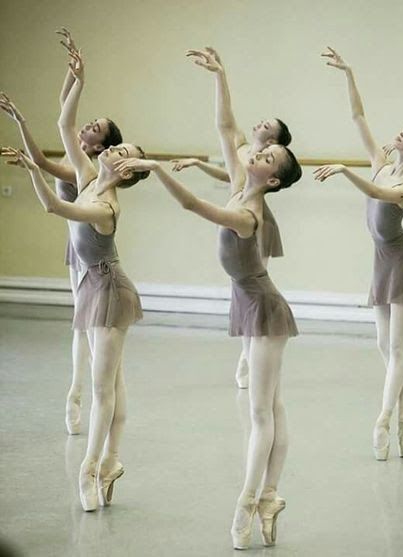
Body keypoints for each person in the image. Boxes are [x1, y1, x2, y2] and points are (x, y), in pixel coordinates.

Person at [113, 46, 302, 550]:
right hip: (251, 301)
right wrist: (221, 75)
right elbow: (227, 130)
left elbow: (194, 203)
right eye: (261, 152)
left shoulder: (247, 213)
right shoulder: (242, 186)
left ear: (274, 178)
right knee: (273, 407)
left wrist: (153, 166)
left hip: (264, 308)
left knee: (263, 412)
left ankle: (249, 500)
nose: (257, 154)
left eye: (268, 157)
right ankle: (270, 496)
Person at [1, 44, 148, 512]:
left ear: (121, 169)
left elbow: (53, 206)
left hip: (109, 289)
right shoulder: (88, 173)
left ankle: (90, 470)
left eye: (118, 149)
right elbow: (65, 126)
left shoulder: (104, 204)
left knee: (104, 388)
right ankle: (112, 461)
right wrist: (78, 79)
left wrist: (29, 170)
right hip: (93, 284)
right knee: (114, 382)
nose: (109, 149)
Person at [314, 47, 403, 461]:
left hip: (402, 263)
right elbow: (359, 118)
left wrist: (346, 171)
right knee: (382, 345)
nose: (401, 133)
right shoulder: (382, 163)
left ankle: (384, 420)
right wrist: (349, 73)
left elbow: (377, 193)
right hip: (381, 262)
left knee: (398, 348)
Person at [0, 28, 123, 435]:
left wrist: (21, 120)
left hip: (85, 250)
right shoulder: (80, 155)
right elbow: (63, 111)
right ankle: (75, 392)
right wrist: (73, 72)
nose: (86, 127)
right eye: (90, 123)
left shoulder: (79, 168)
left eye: (95, 128)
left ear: (98, 145)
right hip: (77, 248)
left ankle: (76, 393)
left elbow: (39, 156)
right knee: (80, 323)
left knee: (82, 325)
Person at [171, 77, 291, 390]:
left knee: (255, 277)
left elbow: (230, 179)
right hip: (236, 208)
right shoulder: (243, 153)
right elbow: (225, 128)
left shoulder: (260, 163)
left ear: (273, 143)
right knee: (242, 282)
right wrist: (218, 75)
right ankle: (248, 348)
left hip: (250, 219)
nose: (261, 123)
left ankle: (250, 351)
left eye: (269, 125)